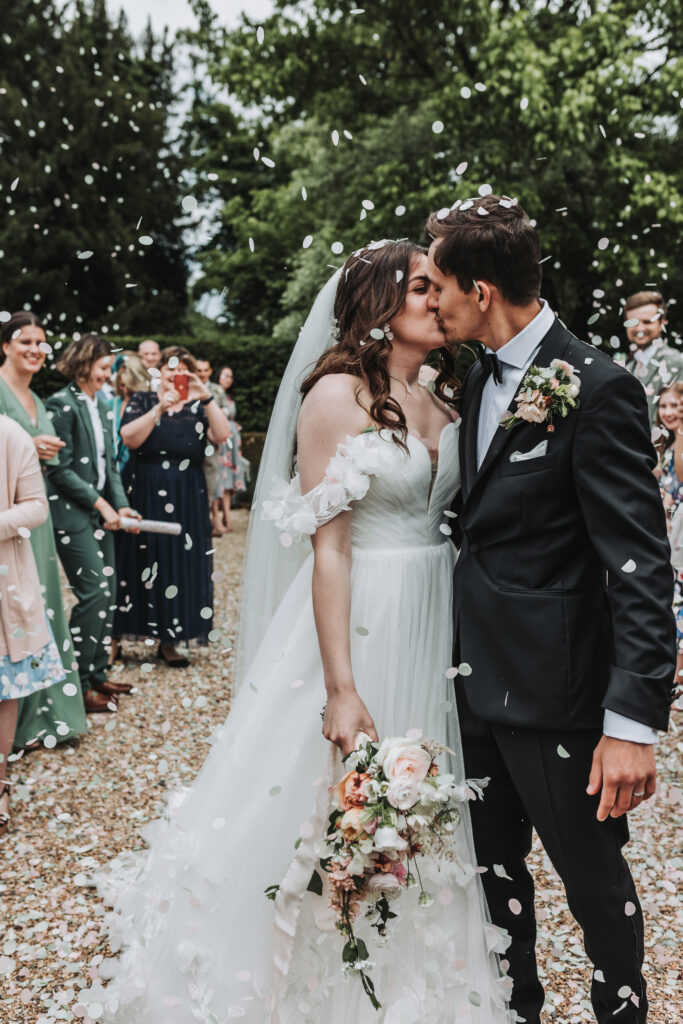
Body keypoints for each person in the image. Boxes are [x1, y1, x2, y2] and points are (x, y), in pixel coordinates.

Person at [89, 243, 512, 1023]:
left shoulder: (444, 396)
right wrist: (342, 687)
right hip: (363, 613)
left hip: (434, 610)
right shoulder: (335, 397)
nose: (438, 297)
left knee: (422, 798)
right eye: (422, 286)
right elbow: (330, 548)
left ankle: (413, 974)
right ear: (379, 304)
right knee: (330, 794)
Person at [425, 196, 676, 1024]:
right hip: (470, 687)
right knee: (493, 884)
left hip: (558, 694)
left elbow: (638, 565)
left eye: (438, 288)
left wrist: (630, 722)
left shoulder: (595, 387)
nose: (430, 302)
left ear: (481, 289)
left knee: (596, 890)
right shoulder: (468, 374)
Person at [0, 312, 88, 744]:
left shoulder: (36, 396)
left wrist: (43, 453)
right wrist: (27, 447)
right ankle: (17, 724)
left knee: (41, 609)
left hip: (37, 517)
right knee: (11, 616)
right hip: (7, 522)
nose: (35, 349)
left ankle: (50, 715)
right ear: (5, 346)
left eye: (41, 342)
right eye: (25, 342)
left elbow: (47, 467)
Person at [113, 347, 229, 667]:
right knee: (138, 559)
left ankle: (170, 638)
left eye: (182, 371)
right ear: (160, 372)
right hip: (146, 488)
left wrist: (205, 396)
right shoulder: (143, 400)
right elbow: (129, 438)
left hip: (187, 492)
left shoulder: (199, 406)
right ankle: (118, 636)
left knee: (180, 564)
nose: (174, 376)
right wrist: (159, 410)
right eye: (169, 369)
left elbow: (222, 435)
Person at [46, 334, 139, 711]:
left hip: (102, 513)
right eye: (103, 367)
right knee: (94, 592)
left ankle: (98, 672)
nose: (108, 375)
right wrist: (102, 505)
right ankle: (77, 684)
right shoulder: (60, 404)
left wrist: (122, 506)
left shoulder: (101, 406)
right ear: (83, 364)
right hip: (71, 514)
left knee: (109, 594)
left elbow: (111, 465)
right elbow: (59, 470)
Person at [1, 415, 66, 835]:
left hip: (2, 581)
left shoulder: (9, 434)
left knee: (2, 690)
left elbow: (37, 507)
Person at [624, 290, 683, 424]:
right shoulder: (627, 364)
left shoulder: (677, 363)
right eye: (633, 322)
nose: (639, 329)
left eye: (647, 322)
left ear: (662, 322)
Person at [195, 357, 229, 534]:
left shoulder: (216, 389)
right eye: (198, 370)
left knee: (210, 477)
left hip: (211, 440)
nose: (201, 373)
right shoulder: (188, 386)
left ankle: (206, 517)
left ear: (209, 371)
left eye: (204, 370)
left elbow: (226, 410)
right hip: (190, 439)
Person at [213, 365, 247, 532]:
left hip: (232, 438)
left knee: (228, 478)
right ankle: (218, 517)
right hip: (221, 438)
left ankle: (227, 516)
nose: (228, 379)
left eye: (230, 376)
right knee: (220, 475)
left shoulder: (228, 396)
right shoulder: (213, 392)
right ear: (218, 376)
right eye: (225, 375)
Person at [111, 352, 151, 472]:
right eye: (122, 385)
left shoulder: (151, 407)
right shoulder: (109, 405)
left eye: (131, 388)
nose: (125, 391)